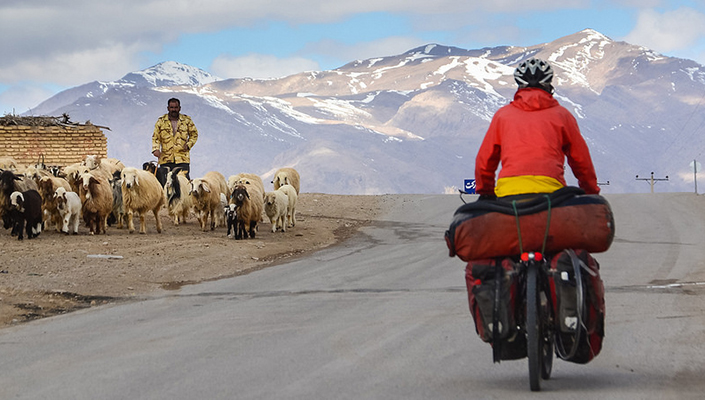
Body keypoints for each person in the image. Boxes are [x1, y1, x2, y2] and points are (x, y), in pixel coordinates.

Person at [474, 57, 599, 199]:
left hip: (508, 192)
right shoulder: (563, 115)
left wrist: (486, 192)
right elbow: (581, 161)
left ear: (519, 87)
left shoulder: (502, 116)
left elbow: (484, 160)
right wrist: (591, 192)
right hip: (551, 192)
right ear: (549, 86)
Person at [151, 97, 198, 179]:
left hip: (182, 158)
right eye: (172, 107)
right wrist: (156, 149)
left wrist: (188, 144)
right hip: (165, 159)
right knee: (164, 183)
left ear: (179, 108)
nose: (174, 110)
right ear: (168, 108)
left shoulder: (187, 120)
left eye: (176, 107)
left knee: (184, 184)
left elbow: (194, 134)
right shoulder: (161, 121)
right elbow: (156, 137)